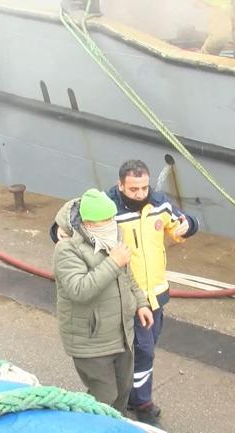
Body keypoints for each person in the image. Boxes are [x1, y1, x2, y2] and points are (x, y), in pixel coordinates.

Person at [51, 160, 199, 427]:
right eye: (134, 189)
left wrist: (188, 225)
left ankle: (128, 404)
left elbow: (182, 223)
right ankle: (139, 404)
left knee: (142, 354)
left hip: (150, 296)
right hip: (108, 315)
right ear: (120, 185)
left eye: (144, 188)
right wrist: (57, 230)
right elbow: (72, 230)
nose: (141, 194)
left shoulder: (157, 203)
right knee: (126, 368)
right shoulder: (103, 215)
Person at [53, 188, 153, 414]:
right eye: (103, 221)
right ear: (87, 224)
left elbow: (128, 277)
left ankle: (115, 426)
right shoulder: (67, 250)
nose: (110, 225)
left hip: (122, 334)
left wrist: (141, 303)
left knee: (123, 390)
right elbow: (79, 290)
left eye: (112, 219)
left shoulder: (115, 237)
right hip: (91, 340)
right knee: (104, 395)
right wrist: (113, 262)